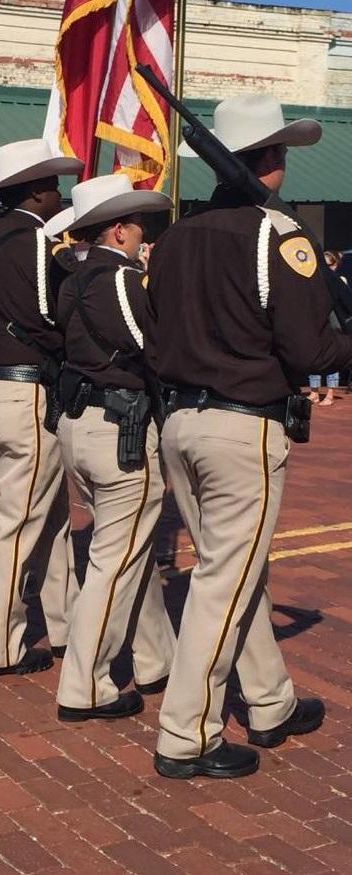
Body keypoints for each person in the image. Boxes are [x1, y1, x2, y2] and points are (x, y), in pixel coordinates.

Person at [147, 93, 352, 779]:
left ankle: (268, 701)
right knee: (224, 581)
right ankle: (186, 734)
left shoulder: (174, 237)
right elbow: (306, 346)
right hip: (240, 425)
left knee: (233, 573)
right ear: (271, 160)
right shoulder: (275, 234)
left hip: (179, 419)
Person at [50, 174, 175, 721]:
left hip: (83, 423)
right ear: (119, 230)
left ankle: (155, 658)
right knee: (114, 563)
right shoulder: (121, 279)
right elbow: (153, 347)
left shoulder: (72, 280)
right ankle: (85, 685)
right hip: (119, 424)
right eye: (137, 226)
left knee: (128, 549)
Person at [0, 139, 83, 678]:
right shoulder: (34, 237)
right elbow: (42, 315)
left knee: (51, 518)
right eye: (51, 186)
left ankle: (67, 626)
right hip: (23, 390)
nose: (57, 195)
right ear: (34, 190)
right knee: (20, 523)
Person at [307, 250, 347, 406]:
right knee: (315, 355)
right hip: (317, 321)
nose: (326, 268)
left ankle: (330, 394)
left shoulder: (339, 280)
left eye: (329, 264)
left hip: (333, 323)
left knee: (331, 356)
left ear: (335, 264)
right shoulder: (317, 279)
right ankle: (314, 392)